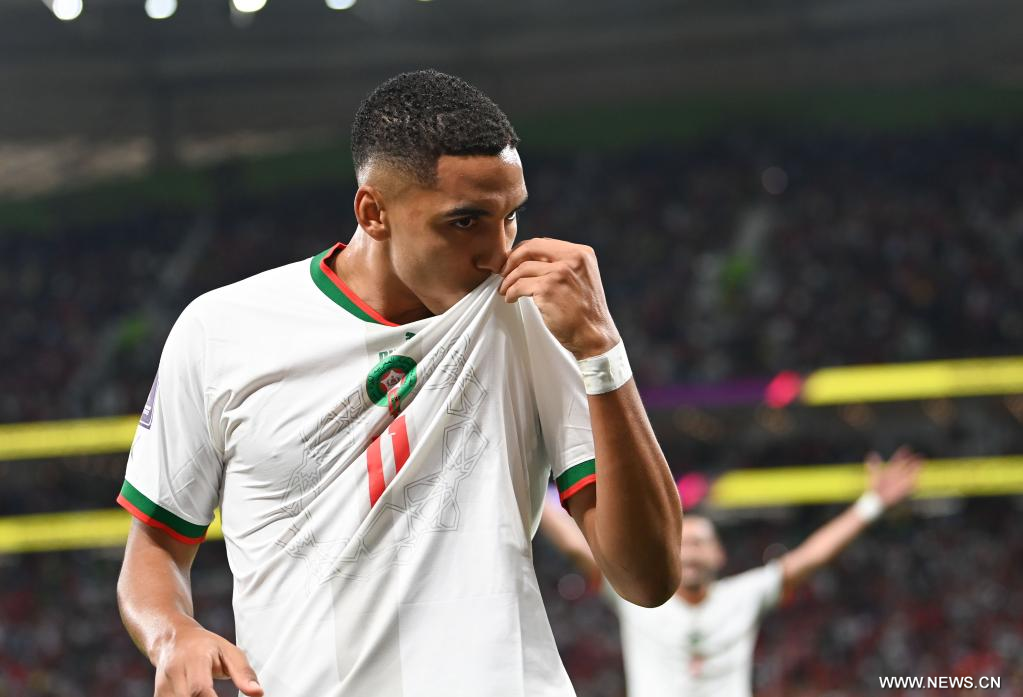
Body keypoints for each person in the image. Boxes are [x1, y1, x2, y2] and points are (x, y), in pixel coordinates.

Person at [114, 69, 683, 697]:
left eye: (511, 217)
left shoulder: (534, 317)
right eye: (464, 222)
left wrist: (603, 352)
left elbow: (648, 579)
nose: (498, 252)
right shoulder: (221, 331)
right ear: (373, 212)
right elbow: (156, 548)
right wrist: (172, 633)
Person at [540, 447, 923, 697]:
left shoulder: (742, 597)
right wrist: (528, 493)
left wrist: (872, 504)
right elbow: (576, 547)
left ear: (720, 555)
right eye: (684, 543)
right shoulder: (636, 596)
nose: (691, 551)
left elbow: (810, 558)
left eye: (701, 542)